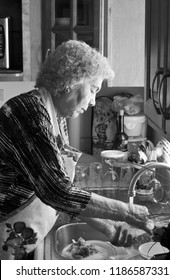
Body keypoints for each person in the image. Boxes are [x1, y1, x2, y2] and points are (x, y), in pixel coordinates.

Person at [0, 40, 153, 260]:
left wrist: (106, 226)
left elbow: (64, 187)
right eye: (93, 90)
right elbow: (57, 191)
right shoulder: (28, 113)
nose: (93, 101)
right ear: (72, 80)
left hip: (21, 240)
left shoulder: (55, 117)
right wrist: (128, 212)